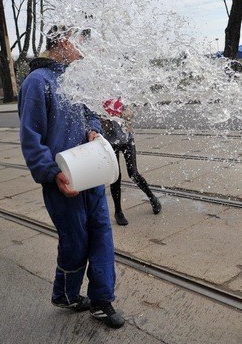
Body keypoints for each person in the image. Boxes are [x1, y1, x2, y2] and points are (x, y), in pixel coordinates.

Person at [18, 25, 124, 329]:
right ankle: (64, 294)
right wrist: (51, 173)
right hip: (61, 179)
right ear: (63, 42)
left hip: (90, 171)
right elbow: (30, 137)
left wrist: (94, 130)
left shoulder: (75, 79)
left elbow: (90, 113)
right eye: (79, 41)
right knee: (75, 241)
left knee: (102, 233)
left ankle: (102, 301)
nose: (83, 49)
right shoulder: (37, 83)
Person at [100, 97, 162, 226]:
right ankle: (118, 212)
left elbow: (130, 116)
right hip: (110, 143)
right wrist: (104, 119)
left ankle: (152, 198)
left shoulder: (121, 96)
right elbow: (96, 121)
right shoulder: (98, 98)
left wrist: (124, 114)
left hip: (127, 140)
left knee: (133, 173)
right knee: (116, 177)